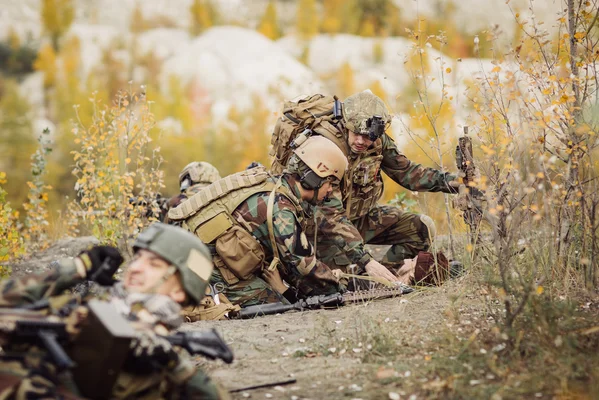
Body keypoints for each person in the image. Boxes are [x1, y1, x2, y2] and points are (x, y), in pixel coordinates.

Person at [0, 223, 226, 400]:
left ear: (179, 291)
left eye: (154, 265)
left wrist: (174, 364)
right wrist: (79, 268)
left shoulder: (160, 358)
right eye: (137, 258)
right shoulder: (84, 306)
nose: (135, 268)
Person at [270, 90, 463, 283]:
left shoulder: (376, 139)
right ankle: (373, 279)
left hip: (357, 218)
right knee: (342, 282)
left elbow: (407, 173)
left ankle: (388, 277)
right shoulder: (324, 147)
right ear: (346, 125)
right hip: (321, 230)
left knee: (422, 229)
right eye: (356, 134)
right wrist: (366, 261)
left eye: (367, 136)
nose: (361, 141)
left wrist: (454, 183)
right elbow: (330, 216)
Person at [168, 136, 350, 307]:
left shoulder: (270, 186)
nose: (330, 191)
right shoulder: (280, 207)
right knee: (280, 305)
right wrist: (336, 287)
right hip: (204, 270)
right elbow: (304, 265)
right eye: (330, 184)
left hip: (202, 260)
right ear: (313, 179)